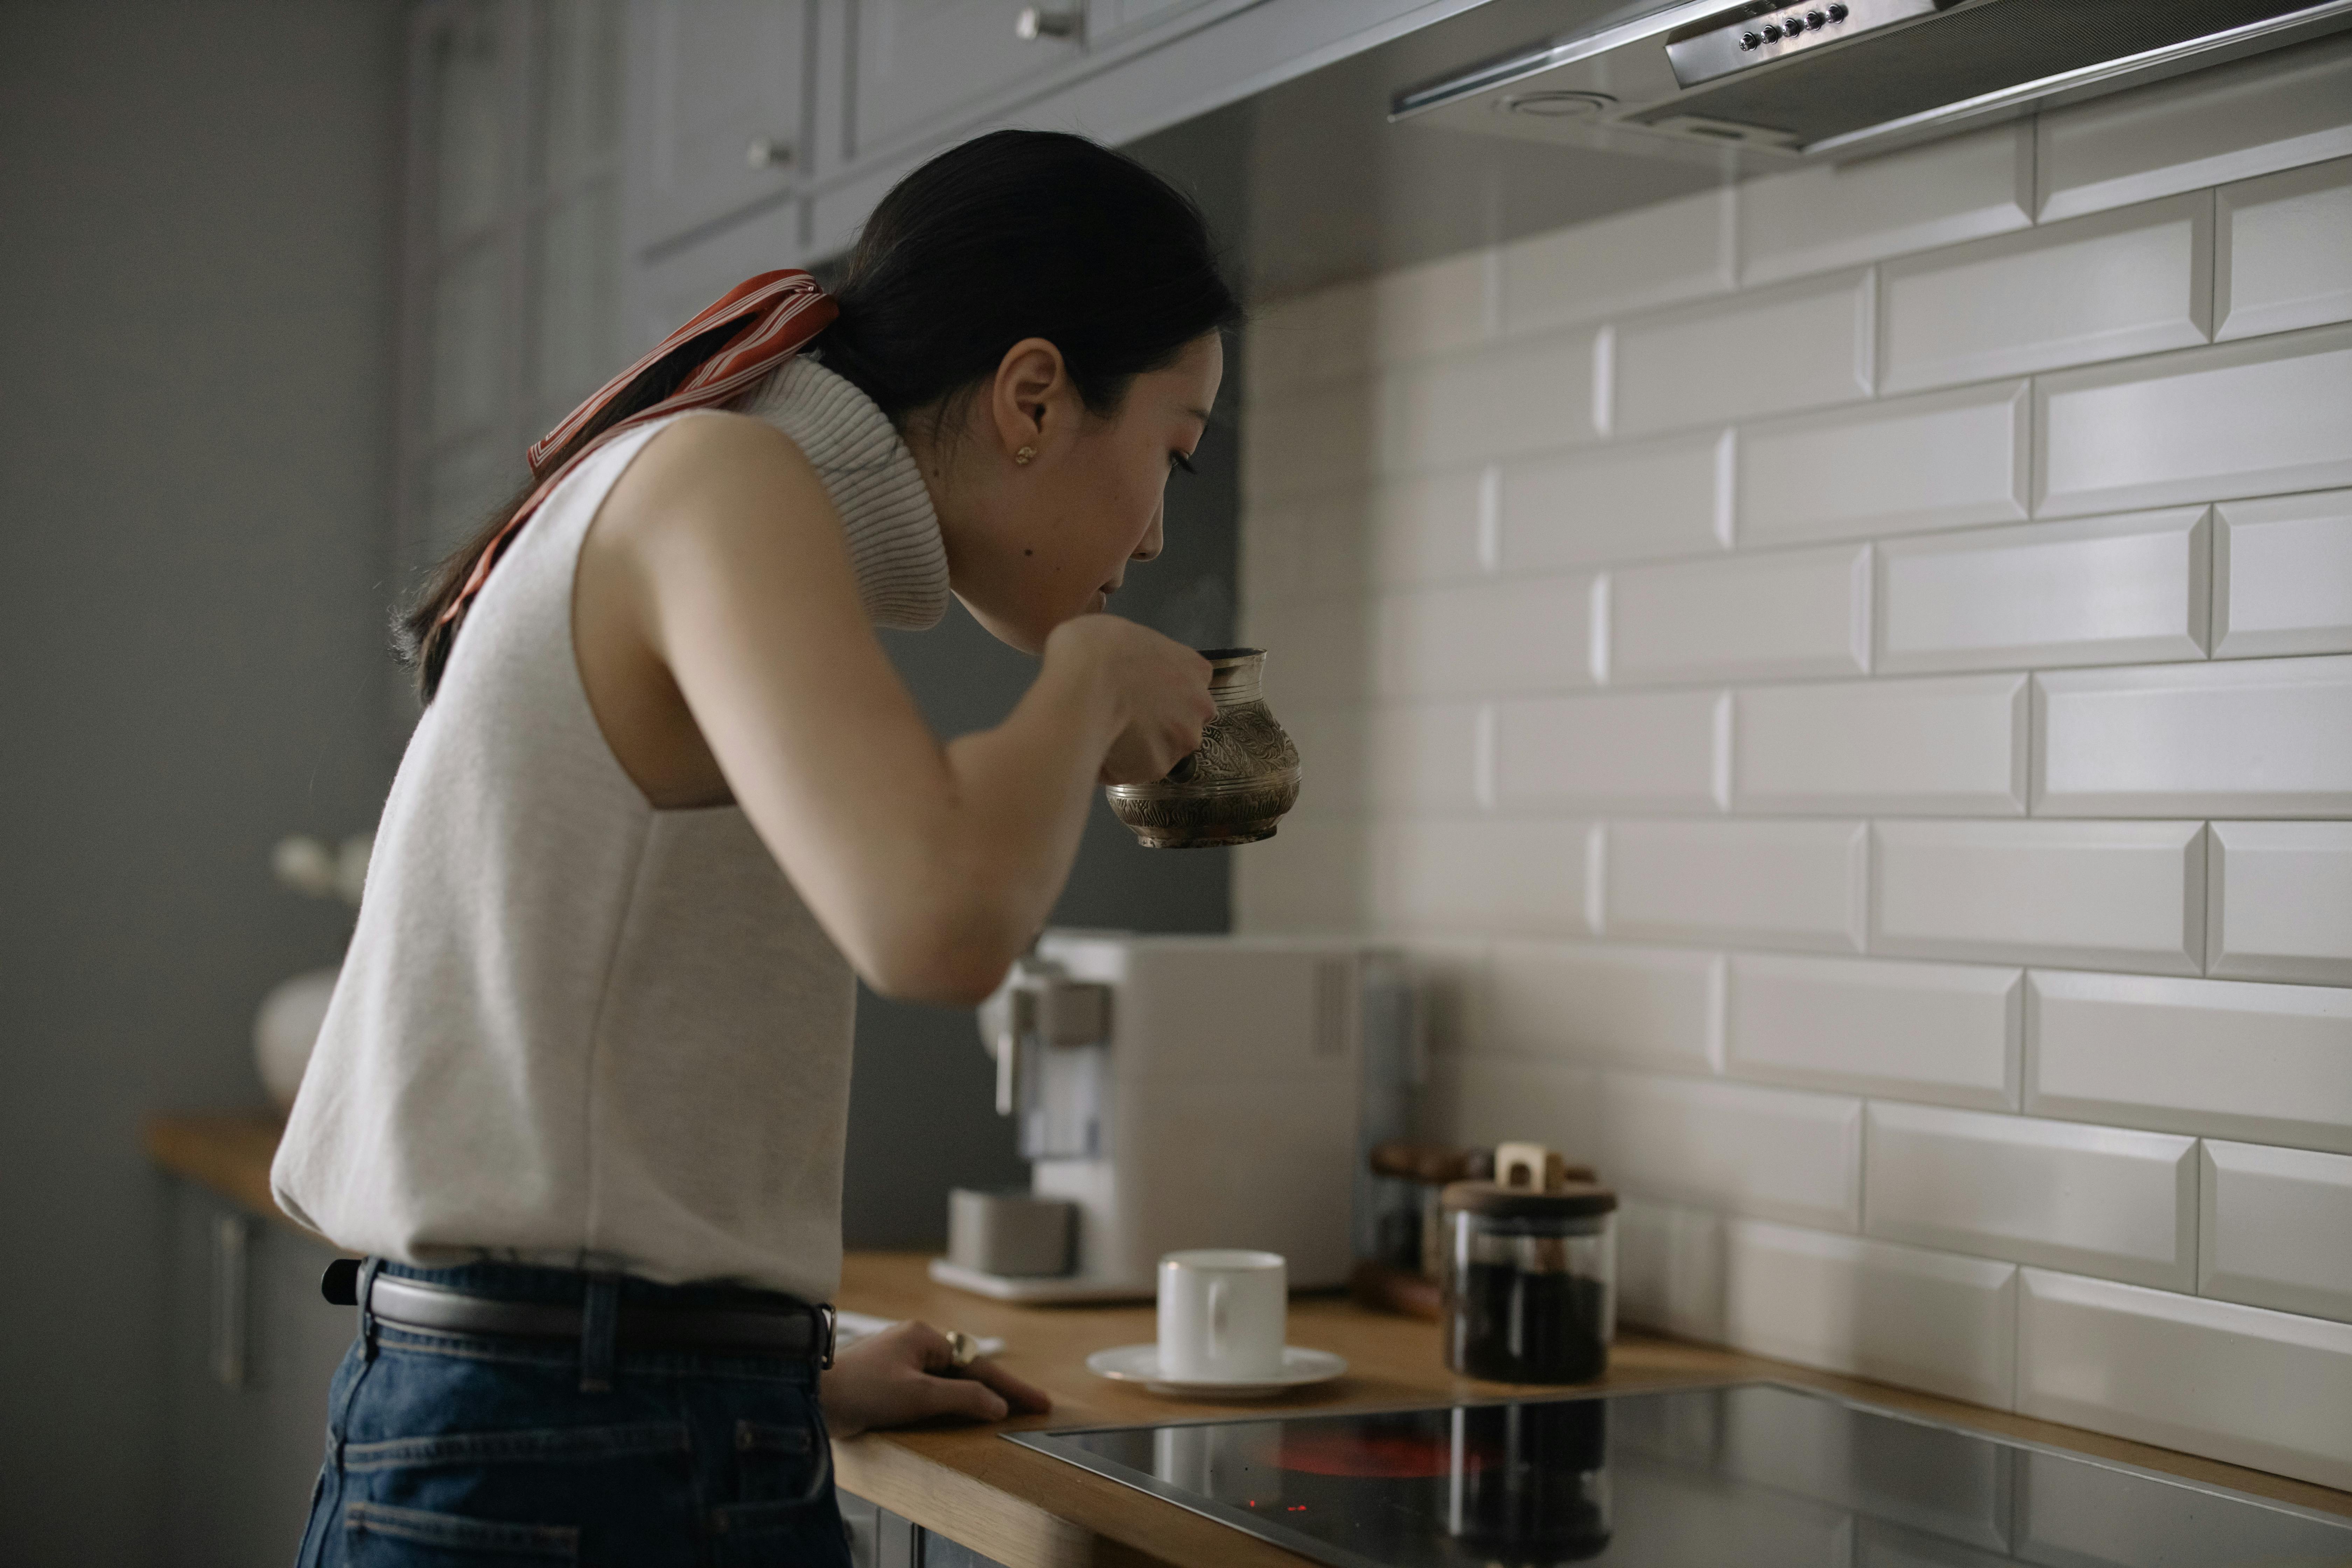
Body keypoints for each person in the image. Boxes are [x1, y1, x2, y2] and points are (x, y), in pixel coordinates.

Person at [270, 128, 1239, 1565]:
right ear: (1034, 396)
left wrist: (776, 1370)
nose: (1159, 534)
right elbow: (936, 919)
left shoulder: (698, 484)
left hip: (582, 1424)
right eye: (1172, 449)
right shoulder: (724, 483)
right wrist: (1090, 678)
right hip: (576, 1456)